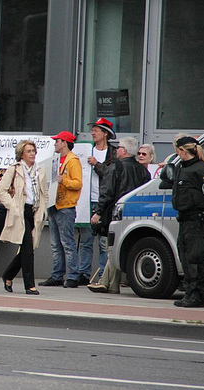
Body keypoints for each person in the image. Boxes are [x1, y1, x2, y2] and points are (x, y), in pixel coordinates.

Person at [162, 135, 204, 308]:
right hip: (185, 219)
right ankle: (190, 293)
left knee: (196, 258)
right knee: (186, 257)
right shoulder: (184, 168)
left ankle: (197, 296)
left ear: (182, 150)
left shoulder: (201, 169)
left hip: (196, 219)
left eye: (177, 151)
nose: (177, 154)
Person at [88, 137, 150, 294]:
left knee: (112, 247)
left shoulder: (116, 166)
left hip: (117, 212)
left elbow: (107, 191)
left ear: (125, 150)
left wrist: (98, 212)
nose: (116, 150)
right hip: (137, 213)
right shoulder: (143, 170)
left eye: (119, 147)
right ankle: (112, 284)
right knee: (119, 247)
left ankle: (106, 282)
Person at [0, 140, 48, 295]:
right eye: (28, 151)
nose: (32, 154)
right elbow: (1, 191)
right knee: (27, 248)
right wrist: (13, 206)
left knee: (28, 247)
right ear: (21, 154)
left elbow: (44, 193)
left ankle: (8, 275)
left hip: (34, 212)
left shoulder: (40, 170)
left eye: (33, 151)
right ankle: (30, 285)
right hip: (20, 212)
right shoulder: (14, 170)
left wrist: (43, 210)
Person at [39, 131, 82, 288]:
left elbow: (77, 183)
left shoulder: (73, 161)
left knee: (67, 243)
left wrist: (63, 180)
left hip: (65, 206)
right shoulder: (56, 159)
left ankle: (72, 276)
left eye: (57, 141)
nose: (55, 143)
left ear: (64, 143)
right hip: (54, 205)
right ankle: (57, 275)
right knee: (56, 244)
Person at [81, 117, 117, 284]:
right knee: (85, 240)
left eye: (96, 130)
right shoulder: (87, 150)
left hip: (104, 203)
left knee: (103, 242)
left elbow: (111, 175)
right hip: (87, 201)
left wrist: (96, 164)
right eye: (92, 130)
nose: (92, 133)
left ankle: (103, 275)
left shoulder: (114, 153)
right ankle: (83, 274)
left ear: (105, 134)